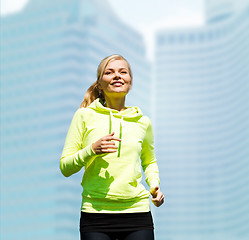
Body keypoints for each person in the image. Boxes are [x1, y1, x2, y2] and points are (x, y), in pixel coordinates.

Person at [60, 54, 164, 240]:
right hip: (95, 214)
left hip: (137, 212)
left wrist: (155, 185)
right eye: (109, 72)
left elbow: (149, 161)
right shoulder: (84, 116)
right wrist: (91, 150)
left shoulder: (143, 122)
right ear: (100, 83)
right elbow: (65, 167)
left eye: (123, 72)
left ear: (130, 81)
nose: (117, 75)